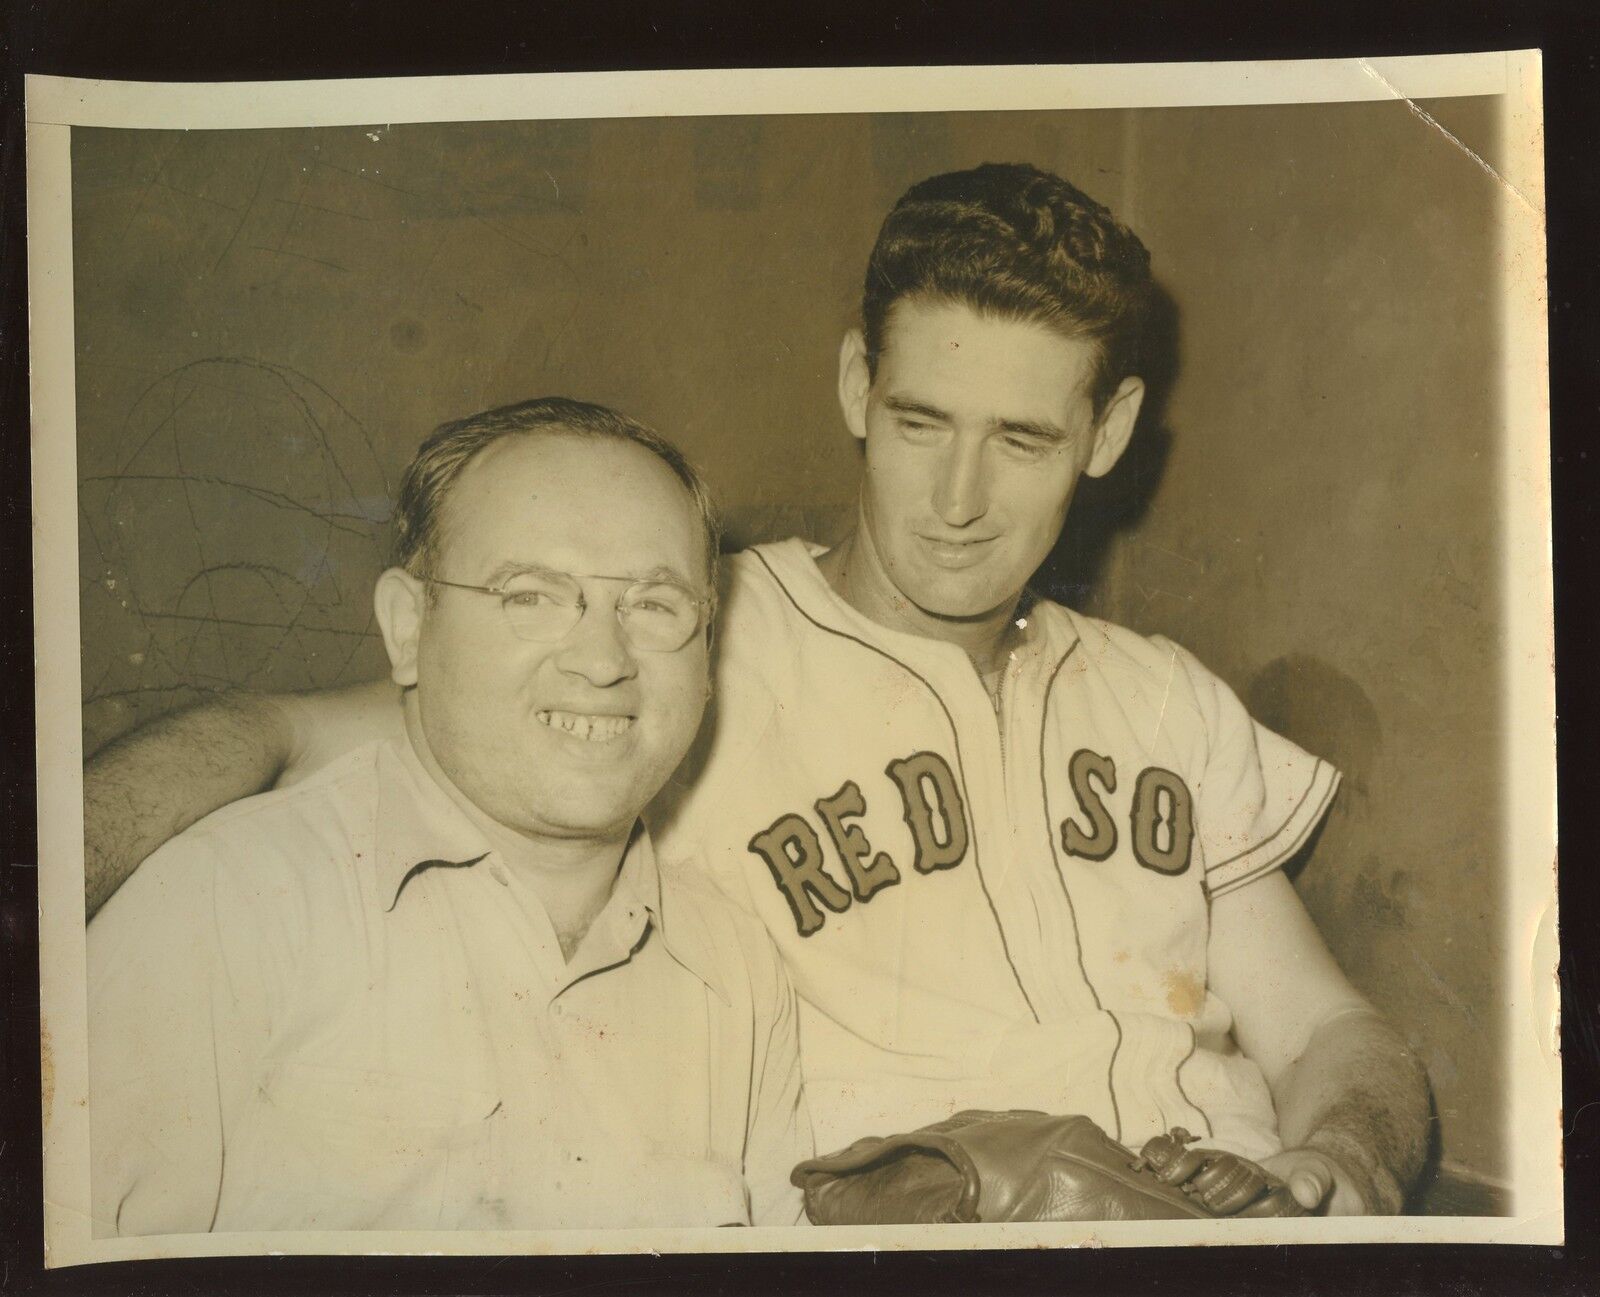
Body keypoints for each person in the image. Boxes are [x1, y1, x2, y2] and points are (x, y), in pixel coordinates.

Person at [84, 165, 1429, 1218]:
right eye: (920, 424)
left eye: (1022, 440)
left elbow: (1328, 1026)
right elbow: (284, 738)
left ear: (1110, 433)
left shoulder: (1163, 698)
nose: (959, 505)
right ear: (857, 383)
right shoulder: (689, 640)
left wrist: (1345, 1161)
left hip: (1235, 1219)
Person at [87, 398, 809, 1235]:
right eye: (532, 595)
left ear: (709, 654)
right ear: (407, 627)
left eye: (654, 606)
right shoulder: (221, 908)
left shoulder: (739, 968)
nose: (603, 661)